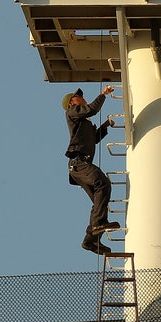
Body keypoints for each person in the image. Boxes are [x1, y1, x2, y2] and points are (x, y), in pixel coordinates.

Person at [63, 86, 121, 255]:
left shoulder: (83, 122)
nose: (83, 98)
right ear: (72, 103)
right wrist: (103, 95)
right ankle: (97, 226)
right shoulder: (72, 113)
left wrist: (105, 126)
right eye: (79, 97)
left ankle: (90, 240)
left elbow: (93, 139)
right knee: (103, 183)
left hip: (80, 165)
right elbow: (92, 109)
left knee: (100, 196)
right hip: (78, 164)